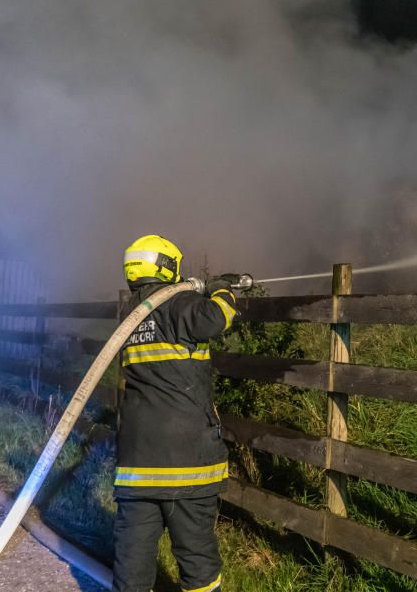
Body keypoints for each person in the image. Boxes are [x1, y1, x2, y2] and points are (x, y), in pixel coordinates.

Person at [113, 234, 241, 592]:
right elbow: (216, 319)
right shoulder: (178, 305)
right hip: (188, 464)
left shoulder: (129, 317)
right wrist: (221, 290)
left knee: (132, 564)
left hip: (138, 467)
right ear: (168, 267)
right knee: (197, 561)